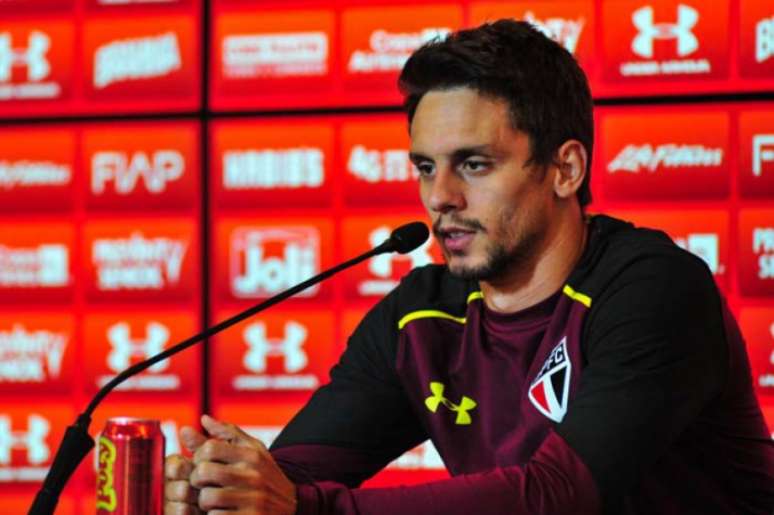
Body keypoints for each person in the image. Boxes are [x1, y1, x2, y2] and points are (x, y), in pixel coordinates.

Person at [163, 20, 774, 515]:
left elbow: (559, 497)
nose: (440, 197)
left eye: (474, 165)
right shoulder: (419, 315)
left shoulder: (653, 289)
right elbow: (291, 477)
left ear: (565, 170)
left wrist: (308, 510)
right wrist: (219, 488)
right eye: (426, 167)